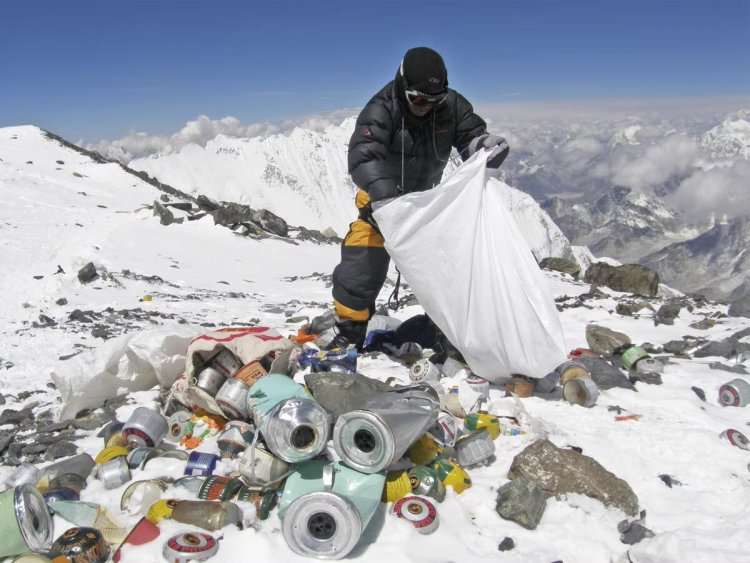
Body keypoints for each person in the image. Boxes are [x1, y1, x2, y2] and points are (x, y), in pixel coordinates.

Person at [327, 46, 509, 351]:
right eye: (418, 99)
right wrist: (385, 199)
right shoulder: (381, 109)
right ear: (402, 84)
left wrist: (484, 147)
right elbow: (363, 156)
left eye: (433, 100)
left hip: (427, 208)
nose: (425, 106)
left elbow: (470, 136)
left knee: (452, 271)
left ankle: (451, 334)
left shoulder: (451, 106)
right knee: (360, 267)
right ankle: (350, 332)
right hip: (380, 209)